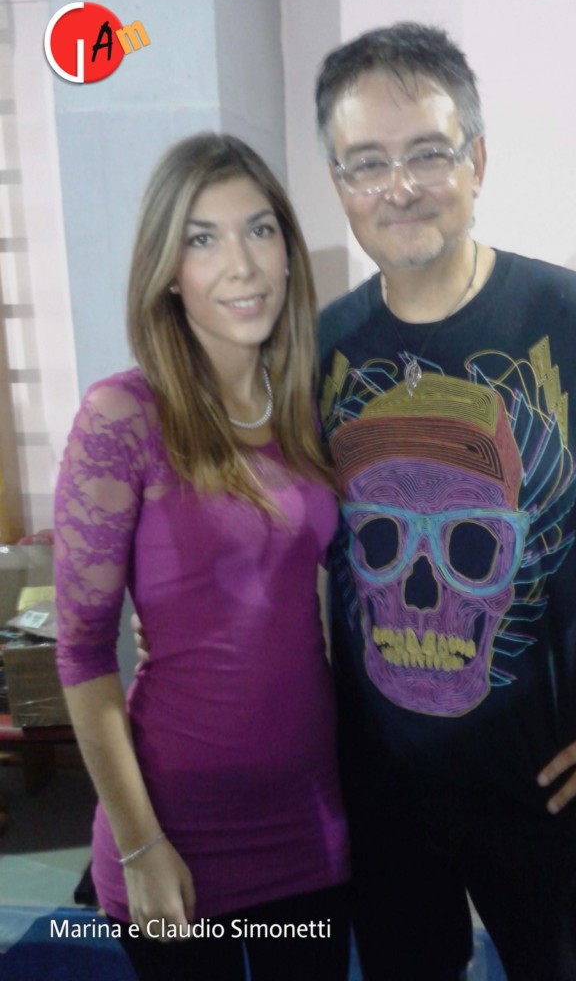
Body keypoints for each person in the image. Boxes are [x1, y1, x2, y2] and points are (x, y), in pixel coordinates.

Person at [313, 23, 576, 981]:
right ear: (339, 184)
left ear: (476, 161)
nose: (399, 185)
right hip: (382, 799)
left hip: (546, 792)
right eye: (367, 162)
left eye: (428, 152)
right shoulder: (321, 347)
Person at [54, 133, 350, 981]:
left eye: (259, 230)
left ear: (288, 251)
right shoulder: (124, 417)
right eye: (203, 239)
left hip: (310, 824)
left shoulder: (306, 405)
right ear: (168, 272)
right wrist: (141, 843)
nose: (242, 265)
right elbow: (81, 652)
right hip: (177, 829)